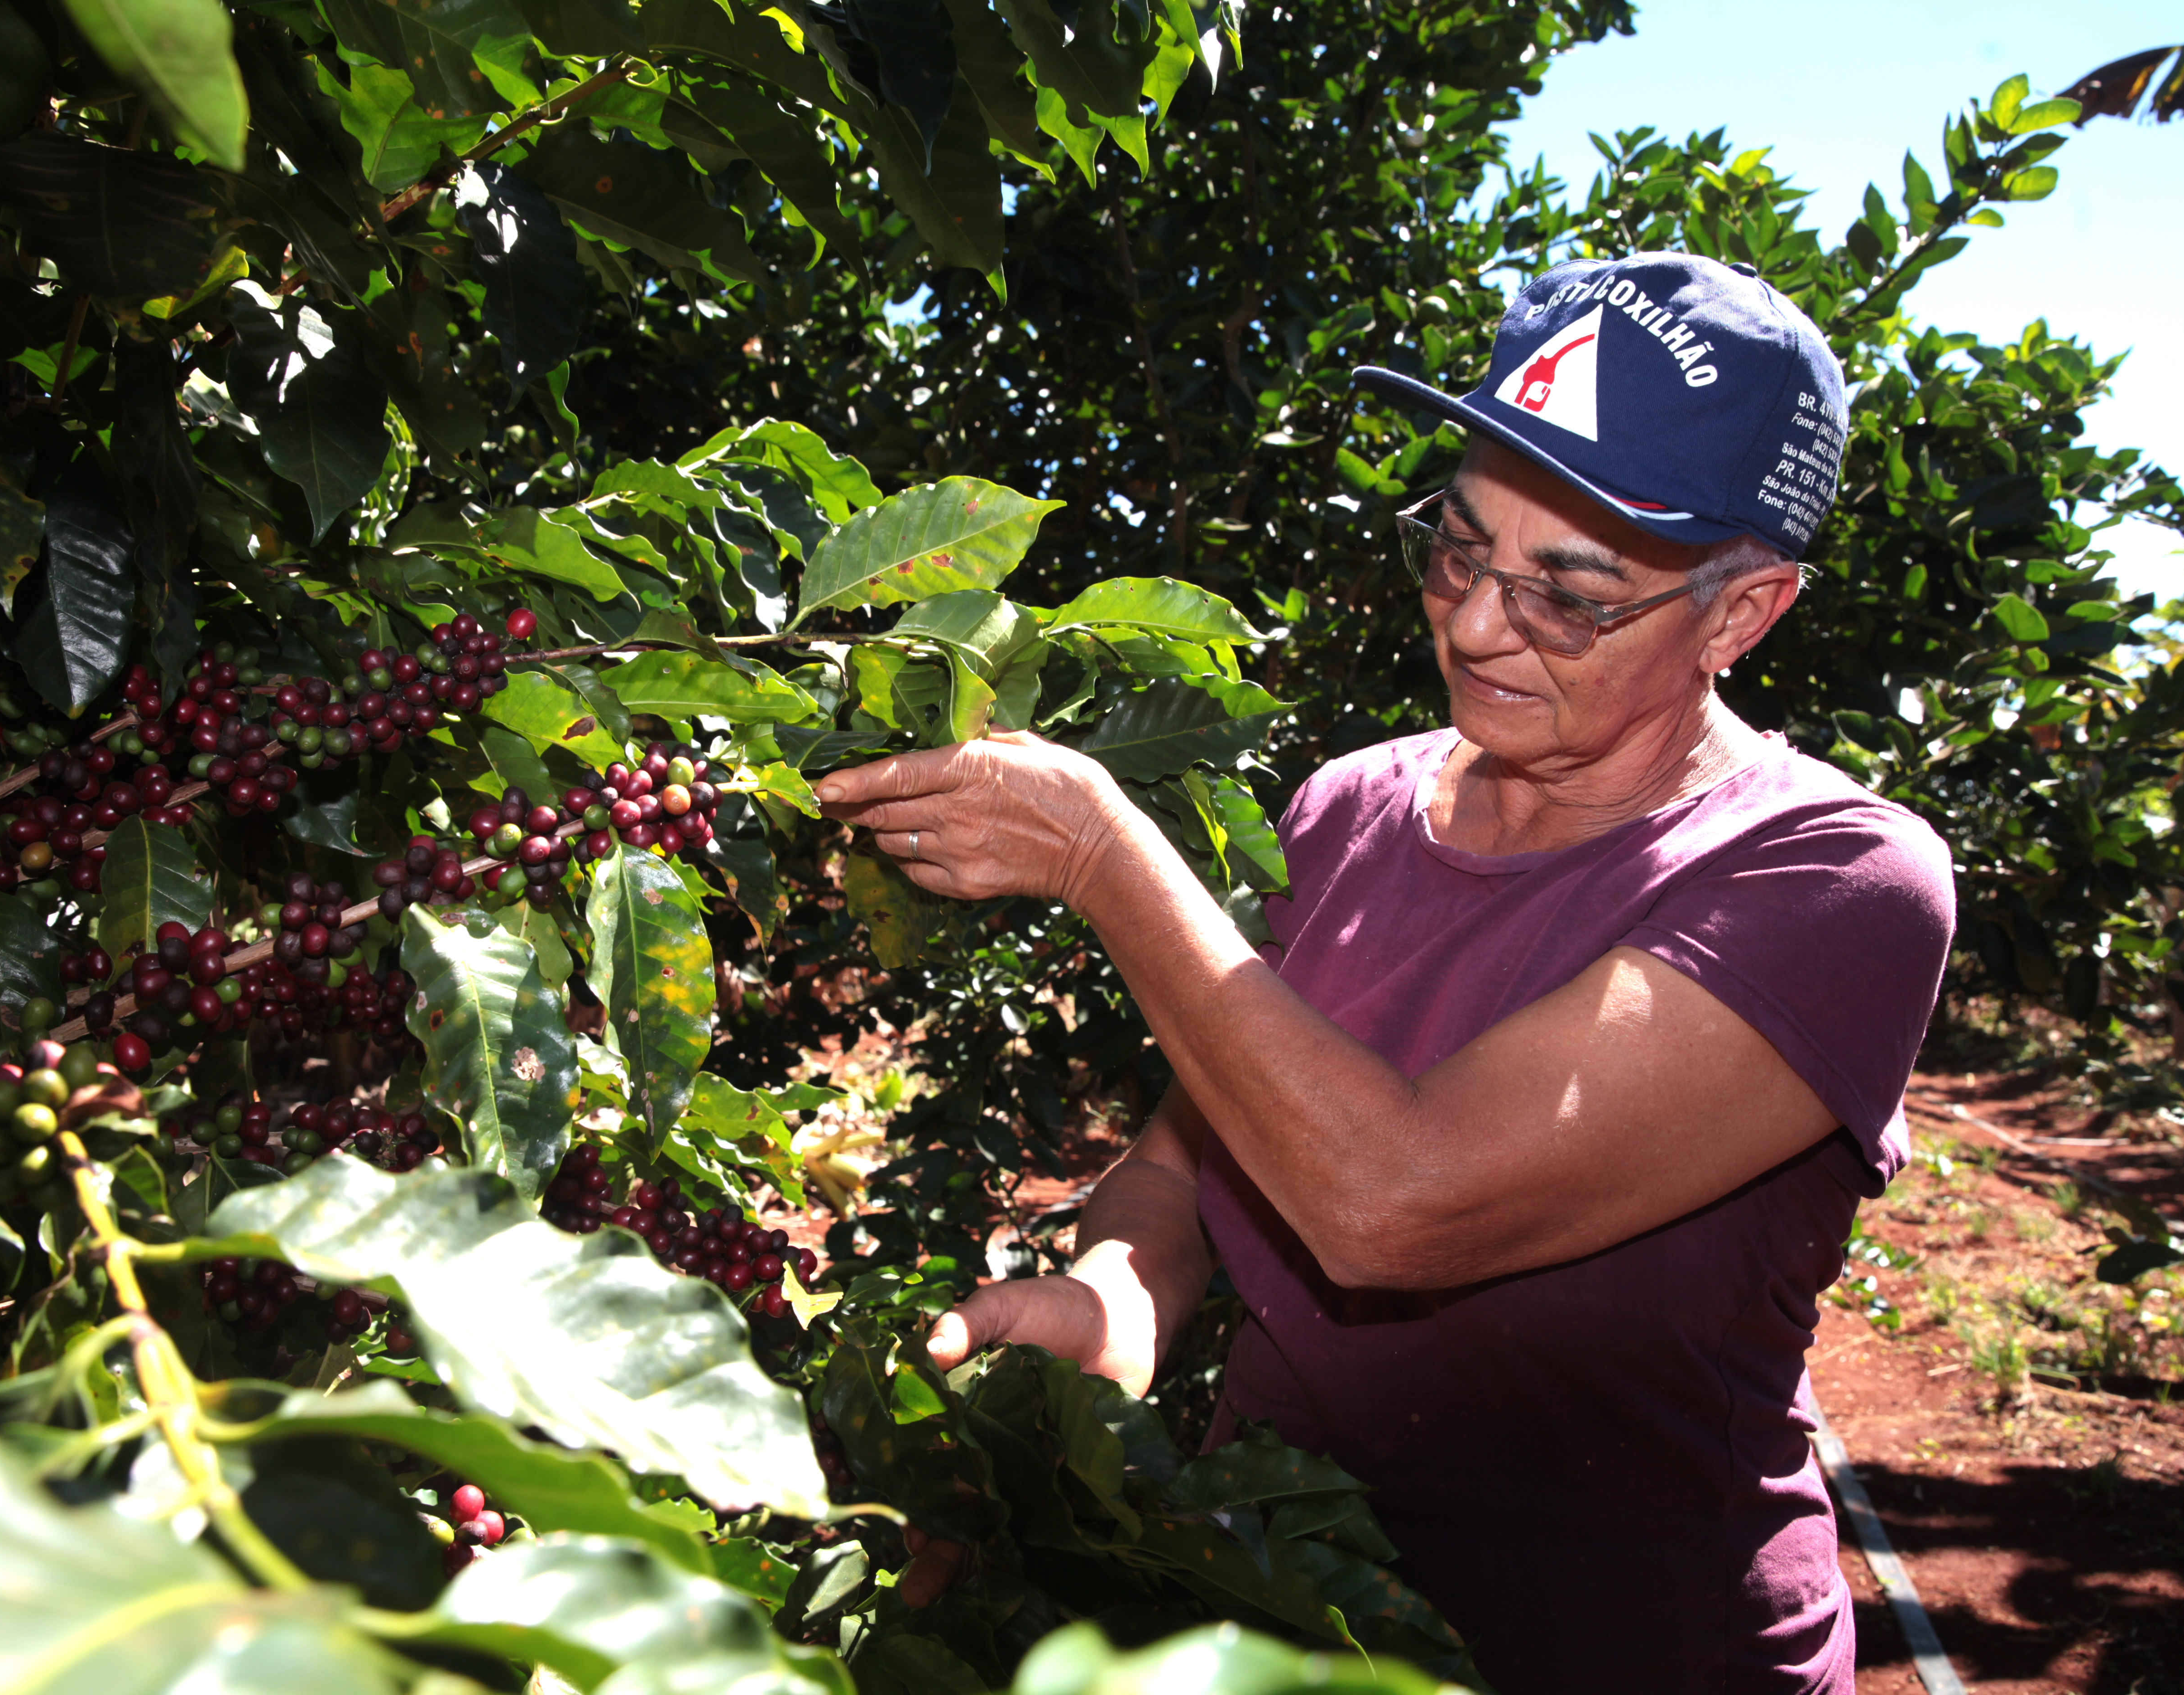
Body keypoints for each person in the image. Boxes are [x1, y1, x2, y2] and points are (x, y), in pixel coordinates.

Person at [813, 252, 1956, 1692]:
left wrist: (1109, 859)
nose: (1477, 625)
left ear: (1743, 615)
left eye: (1573, 596)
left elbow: (1393, 1204)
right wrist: (1118, 1295)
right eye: (1459, 550)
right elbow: (1195, 1155)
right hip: (1276, 1623)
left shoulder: (1834, 879)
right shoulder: (1351, 806)